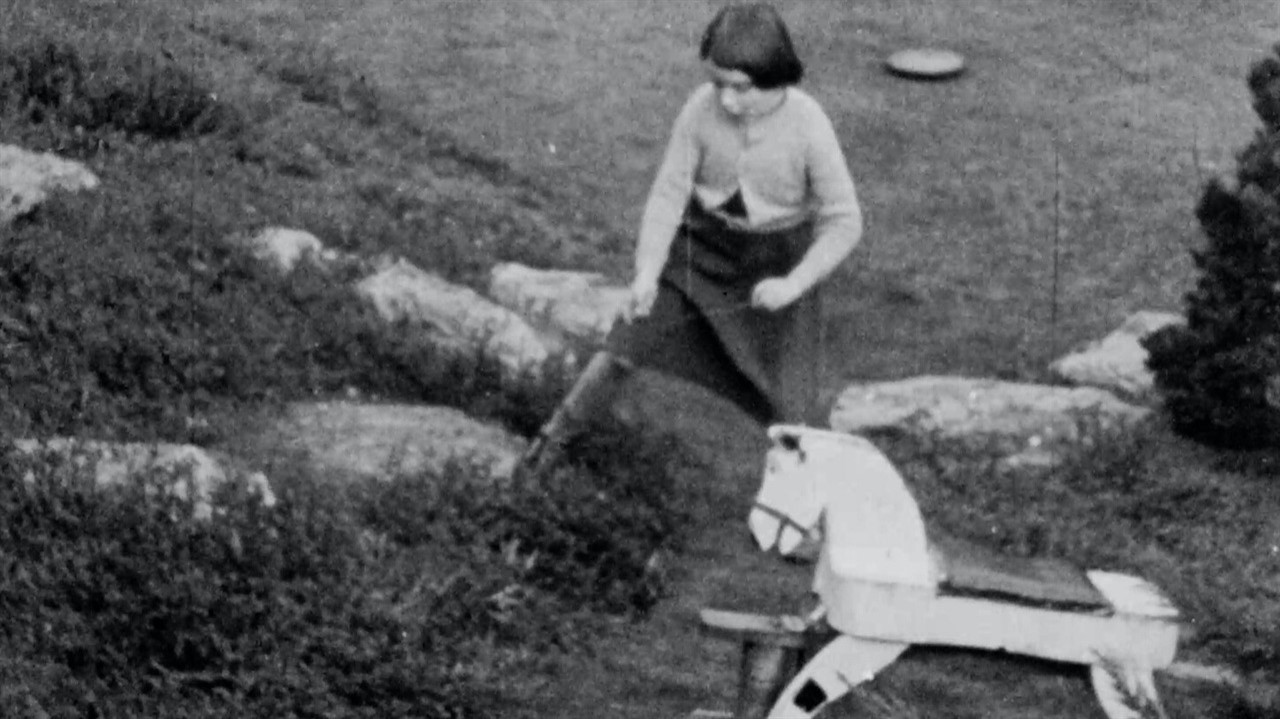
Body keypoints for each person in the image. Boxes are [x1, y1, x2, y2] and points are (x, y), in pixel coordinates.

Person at [609, 1, 864, 428]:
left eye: (741, 87)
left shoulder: (809, 123)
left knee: (791, 414)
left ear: (777, 77)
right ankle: (562, 445)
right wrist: (647, 272)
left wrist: (794, 284)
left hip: (779, 265)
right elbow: (669, 194)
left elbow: (845, 221)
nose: (726, 99)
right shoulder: (699, 109)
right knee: (625, 341)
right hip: (703, 251)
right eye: (717, 84)